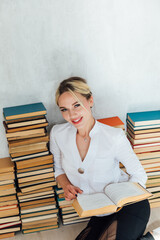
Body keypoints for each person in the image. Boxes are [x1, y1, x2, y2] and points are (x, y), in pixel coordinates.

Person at [50, 76, 160, 240]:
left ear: (90, 101)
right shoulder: (58, 134)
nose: (71, 115)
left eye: (76, 105)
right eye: (64, 109)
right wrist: (66, 185)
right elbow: (58, 169)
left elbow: (139, 175)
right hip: (99, 213)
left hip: (129, 206)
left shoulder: (114, 136)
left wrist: (120, 197)